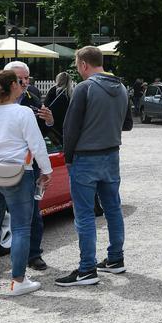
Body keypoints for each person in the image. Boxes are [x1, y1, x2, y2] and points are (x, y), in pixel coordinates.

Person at [0, 70, 53, 297]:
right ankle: (18, 280)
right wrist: (46, 171)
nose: (22, 84)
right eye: (19, 82)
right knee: (21, 228)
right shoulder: (23, 112)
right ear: (13, 86)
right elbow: (37, 145)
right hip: (20, 172)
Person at [56, 46, 133, 287]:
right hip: (111, 155)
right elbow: (128, 124)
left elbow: (71, 128)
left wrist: (68, 158)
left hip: (86, 157)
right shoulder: (121, 87)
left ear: (84, 65)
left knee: (85, 215)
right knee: (113, 209)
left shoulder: (85, 88)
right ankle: (115, 258)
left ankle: (87, 269)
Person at [1, 60, 54, 272]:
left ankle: (34, 255)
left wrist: (49, 120)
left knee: (33, 214)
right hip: (1, 164)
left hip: (29, 166)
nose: (23, 82)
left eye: (26, 78)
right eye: (19, 78)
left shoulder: (32, 97)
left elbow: (42, 135)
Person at [44, 71, 73, 143]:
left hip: (54, 123)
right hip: (67, 123)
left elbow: (46, 105)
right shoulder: (71, 92)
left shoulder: (53, 90)